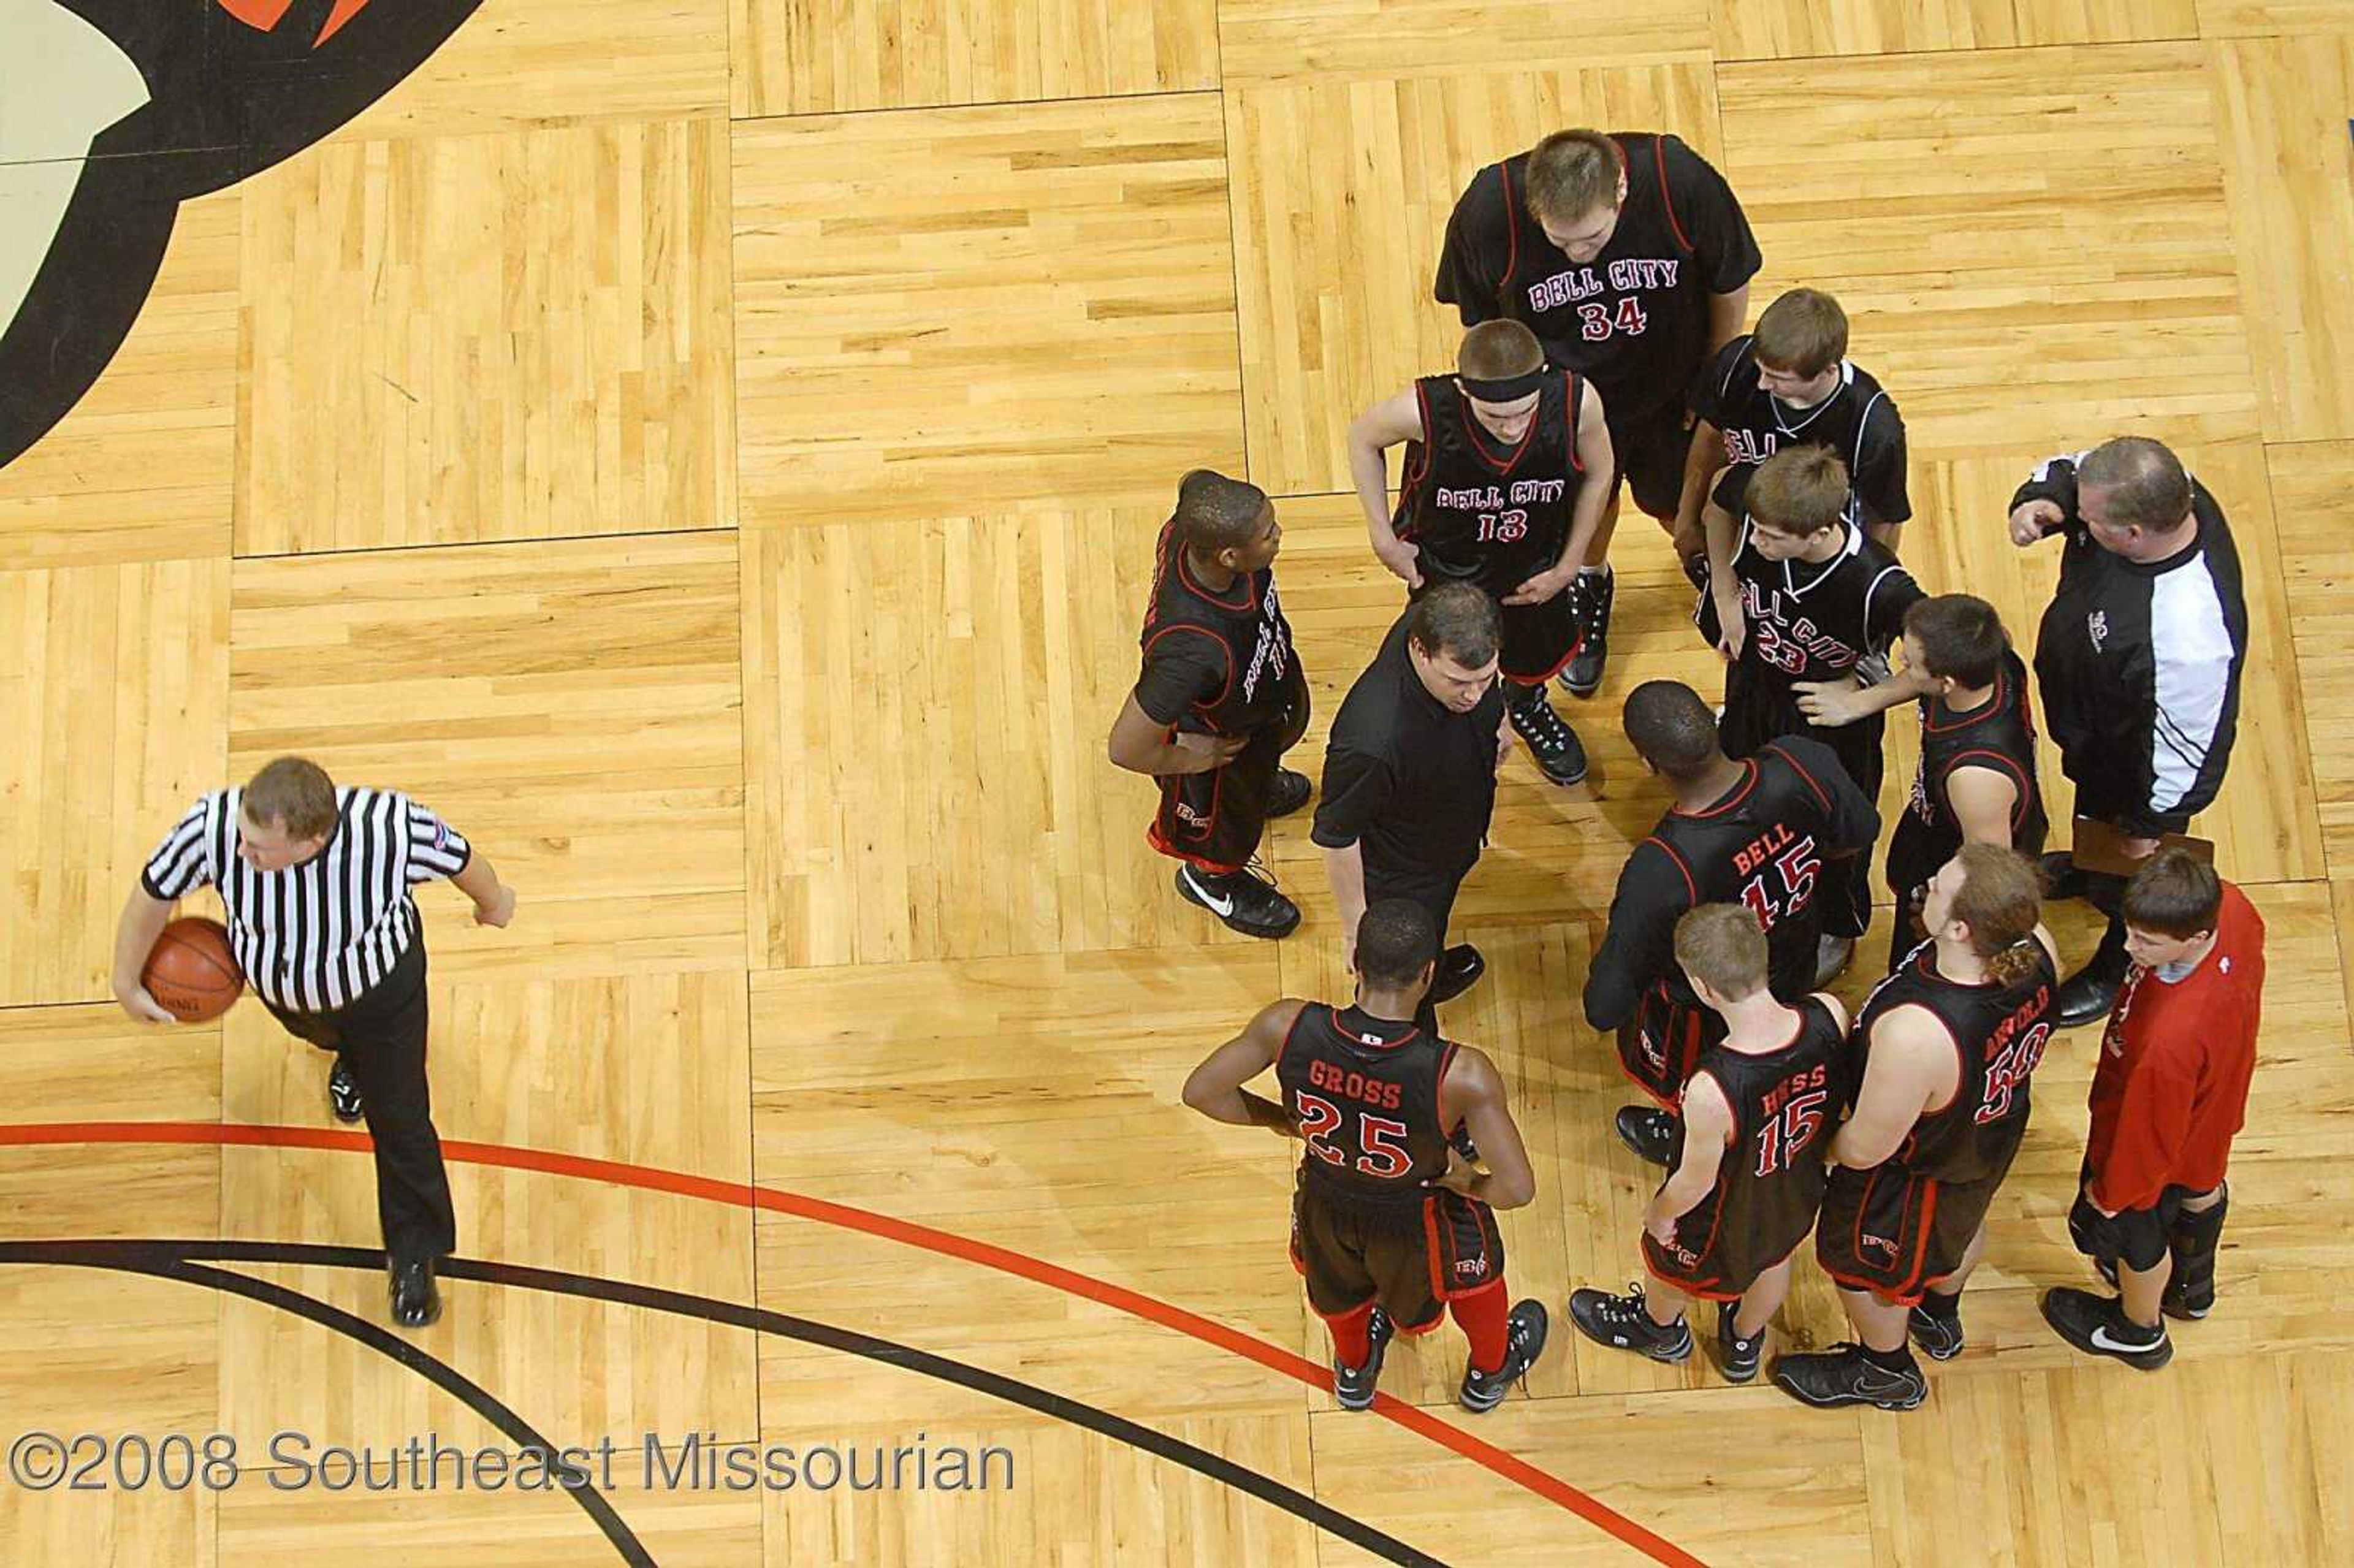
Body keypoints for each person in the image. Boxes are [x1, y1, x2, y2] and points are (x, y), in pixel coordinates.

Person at [114, 756, 517, 1327]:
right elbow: (154, 891)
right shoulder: (216, 824)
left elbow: (462, 859)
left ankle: (414, 1255)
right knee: (331, 1041)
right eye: (245, 841)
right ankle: (349, 1059)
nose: (244, 854)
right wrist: (125, 980)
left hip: (383, 996)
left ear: (314, 839)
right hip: (290, 1000)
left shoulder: (390, 826)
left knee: (401, 1122)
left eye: (260, 849)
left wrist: (493, 902)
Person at [1181, 899, 1550, 1414]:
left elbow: (1201, 1092)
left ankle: (1354, 1374)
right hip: (1415, 1212)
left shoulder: (1285, 1024)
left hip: (1329, 1198)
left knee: (1337, 1288)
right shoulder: (1462, 1074)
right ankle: (1489, 1373)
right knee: (1476, 1278)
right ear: (1429, 973)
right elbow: (1516, 1190)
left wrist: (1280, 1121)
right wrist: (1466, 1182)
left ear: (1355, 960)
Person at [1435, 127, 1762, 695]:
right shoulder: (1490, 211)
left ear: (1621, 191)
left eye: (1590, 238)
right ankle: (1590, 580)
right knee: (1588, 512)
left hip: (1671, 390)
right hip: (1568, 406)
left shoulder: (1676, 179)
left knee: (1682, 500)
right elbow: (1484, 329)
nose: (1578, 255)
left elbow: (1730, 280)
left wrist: (1713, 379)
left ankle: (1714, 569)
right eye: (1560, 243)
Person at [1774, 846, 2055, 1410]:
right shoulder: (2036, 945)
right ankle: (1938, 1311)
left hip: (1912, 1178)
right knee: (1963, 1226)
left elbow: (1863, 1148)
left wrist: (1811, 1148)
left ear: (1958, 928)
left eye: (1942, 884)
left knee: (1860, 1269)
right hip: (1988, 1138)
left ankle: (1885, 1369)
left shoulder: (1916, 1035)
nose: (1927, 878)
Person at [1585, 680, 1879, 1168]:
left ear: (1649, 765)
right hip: (1793, 962)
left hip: (1704, 1014)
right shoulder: (1800, 762)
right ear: (1713, 724)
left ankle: (1693, 1143)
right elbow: (1859, 832)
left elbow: (1606, 1005)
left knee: (1706, 1090)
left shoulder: (1662, 871)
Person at [2007, 437, 2249, 1026]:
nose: (2079, 524)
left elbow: (2188, 750)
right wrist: (2045, 498)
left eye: (2088, 521)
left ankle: (2120, 962)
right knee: (2095, 826)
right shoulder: (2162, 483)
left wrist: (2147, 825)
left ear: (2133, 534)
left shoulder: (2190, 637)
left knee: (2134, 874)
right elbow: (2072, 464)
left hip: (2136, 770)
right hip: (2093, 725)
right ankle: (2090, 873)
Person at [1569, 904, 1846, 1383]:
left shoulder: (1713, 1088)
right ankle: (1743, 1341)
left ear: (1703, 987)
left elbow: (1694, 1182)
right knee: (1774, 1260)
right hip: (1796, 1189)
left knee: (1668, 1269)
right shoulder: (1830, 1013)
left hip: (1724, 1211)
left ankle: (1658, 1329)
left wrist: (1660, 1214)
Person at [1347, 319, 1615, 785]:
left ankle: (1527, 707)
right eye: (1495, 417)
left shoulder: (1576, 401)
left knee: (1534, 659)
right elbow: (1362, 438)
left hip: (1534, 565)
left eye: (1523, 412)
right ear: (1464, 391)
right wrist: (1382, 538)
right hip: (1448, 573)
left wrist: (1571, 564)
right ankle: (1459, 730)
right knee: (1450, 666)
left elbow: (1600, 474)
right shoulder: (1425, 409)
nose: (1511, 427)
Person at [1700, 445, 1923, 973]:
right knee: (1743, 797)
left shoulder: (1877, 584)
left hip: (1828, 726)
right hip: (1755, 687)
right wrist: (1726, 590)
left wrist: (1864, 699)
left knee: (1834, 837)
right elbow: (1718, 496)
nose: (1754, 541)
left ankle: (1834, 926)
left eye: (1770, 537)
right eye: (1756, 530)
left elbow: (1947, 660)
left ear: (1820, 533)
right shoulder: (1766, 505)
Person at [2044, 850, 2263, 1370]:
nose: (2128, 947)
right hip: (2219, 1090)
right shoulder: (2231, 905)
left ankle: (2137, 1329)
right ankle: (2193, 1287)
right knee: (2201, 1179)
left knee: (2134, 1230)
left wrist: (2110, 1196)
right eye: (2130, 930)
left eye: (2146, 941)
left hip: (2155, 1117)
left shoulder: (2166, 1042)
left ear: (2193, 937)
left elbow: (2143, 1142)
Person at [1108, 470, 1312, 939]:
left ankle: (1259, 792)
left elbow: (1191, 481)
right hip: (1218, 753)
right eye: (1268, 533)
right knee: (1223, 834)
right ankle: (1210, 882)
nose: (1278, 534)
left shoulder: (1193, 527)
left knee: (1253, 785)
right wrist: (1186, 758)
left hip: (1257, 704)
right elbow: (1124, 747)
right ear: (1230, 555)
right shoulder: (1190, 651)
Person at [1798, 595, 2049, 970]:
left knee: (1915, 959)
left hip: (1956, 861)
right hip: (1939, 824)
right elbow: (1925, 680)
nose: (1900, 663)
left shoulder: (1975, 779)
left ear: (1947, 682)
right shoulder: (1992, 655)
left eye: (1911, 663)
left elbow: (1989, 876)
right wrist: (1860, 702)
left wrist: (1946, 923)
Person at [1314, 584, 1511, 1024]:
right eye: (1458, 682)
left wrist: (1503, 721)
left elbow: (1485, 685)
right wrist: (1356, 930)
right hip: (1404, 872)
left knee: (1432, 930)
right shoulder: (1372, 741)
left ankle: (1432, 965)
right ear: (1420, 650)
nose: (1474, 695)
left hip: (1451, 828)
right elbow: (1337, 836)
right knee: (1394, 977)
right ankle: (1410, 1022)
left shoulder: (1457, 627)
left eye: (1486, 678)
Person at [1678, 286, 1910, 558]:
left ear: (1828, 370)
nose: (1762, 384)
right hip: (1748, 530)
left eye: (1778, 377)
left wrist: (1859, 581)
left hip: (1815, 548)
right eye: (1761, 369)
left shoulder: (1874, 428)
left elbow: (1885, 520)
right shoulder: (1737, 364)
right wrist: (1687, 518)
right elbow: (1709, 441)